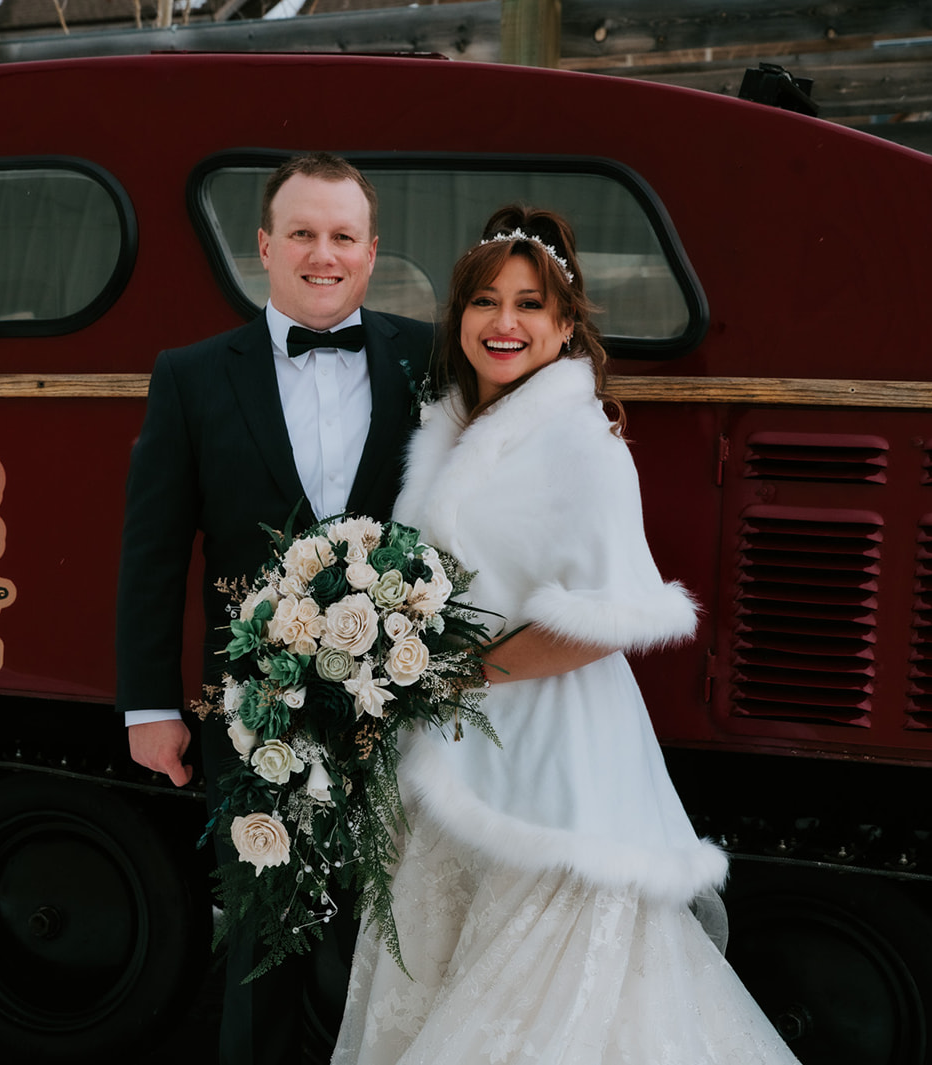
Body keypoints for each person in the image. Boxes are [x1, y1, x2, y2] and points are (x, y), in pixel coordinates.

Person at [331, 206, 800, 1064]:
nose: (504, 323)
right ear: (459, 318)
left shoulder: (586, 446)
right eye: (484, 302)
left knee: (546, 993)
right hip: (455, 751)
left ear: (564, 324)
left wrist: (450, 675)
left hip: (554, 754)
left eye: (530, 305)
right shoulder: (444, 431)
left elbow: (601, 624)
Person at [115, 153, 434, 1065]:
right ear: (264, 246)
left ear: (371, 253)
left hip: (401, 704)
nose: (321, 254)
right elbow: (153, 549)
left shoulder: (428, 358)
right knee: (265, 935)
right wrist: (148, 705)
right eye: (301, 233)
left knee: (384, 938)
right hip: (253, 704)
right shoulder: (191, 374)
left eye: (342, 236)